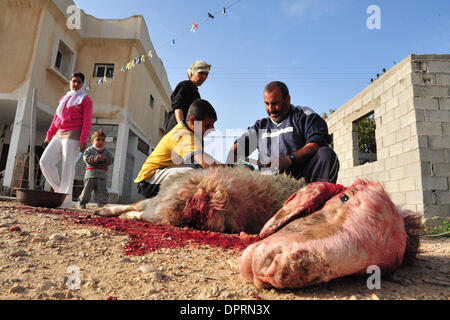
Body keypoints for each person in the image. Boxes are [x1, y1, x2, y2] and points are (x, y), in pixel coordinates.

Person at [227, 81, 339, 184]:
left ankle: (317, 200)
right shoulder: (260, 126)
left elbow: (315, 144)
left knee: (326, 154)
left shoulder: (303, 116)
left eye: (275, 103)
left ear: (288, 99)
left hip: (304, 180)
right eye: (267, 103)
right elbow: (236, 150)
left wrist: (289, 159)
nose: (271, 109)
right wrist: (237, 162)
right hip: (271, 185)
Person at [135, 99, 223, 199]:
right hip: (148, 181)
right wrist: (234, 171)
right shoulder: (183, 134)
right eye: (207, 125)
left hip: (157, 177)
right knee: (199, 171)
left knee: (201, 170)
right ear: (193, 121)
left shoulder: (191, 136)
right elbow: (205, 162)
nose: (211, 130)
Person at [40, 72, 93, 208]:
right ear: (70, 82)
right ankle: (59, 192)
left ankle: (65, 202)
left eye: (79, 82)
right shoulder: (64, 98)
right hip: (59, 134)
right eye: (74, 81)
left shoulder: (85, 100)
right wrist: (49, 135)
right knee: (45, 161)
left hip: (73, 135)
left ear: (83, 84)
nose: (76, 84)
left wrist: (83, 139)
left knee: (67, 167)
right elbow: (56, 119)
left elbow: (87, 122)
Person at [164, 60, 211, 132]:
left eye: (206, 74)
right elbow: (178, 107)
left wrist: (197, 138)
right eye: (201, 73)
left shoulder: (197, 95)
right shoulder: (185, 85)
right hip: (176, 132)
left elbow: (197, 118)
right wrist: (182, 127)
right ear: (193, 72)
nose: (204, 77)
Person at [78, 129, 113, 209]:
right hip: (90, 175)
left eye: (102, 140)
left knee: (102, 192)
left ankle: (102, 204)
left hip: (102, 176)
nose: (100, 142)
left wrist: (105, 160)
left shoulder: (106, 152)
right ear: (92, 141)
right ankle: (82, 202)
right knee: (87, 191)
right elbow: (86, 159)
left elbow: (111, 160)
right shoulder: (89, 150)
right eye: (98, 140)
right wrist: (96, 158)